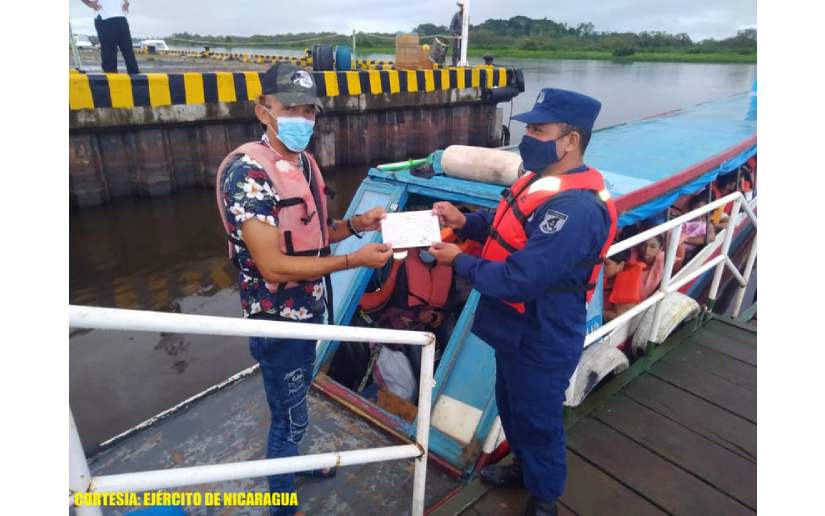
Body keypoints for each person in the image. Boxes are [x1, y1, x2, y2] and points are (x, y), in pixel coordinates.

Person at [428, 88, 617, 516]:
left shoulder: (575, 209)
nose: (527, 136)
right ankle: (522, 466)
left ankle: (545, 496)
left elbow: (520, 278)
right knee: (512, 406)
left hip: (543, 332)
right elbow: (505, 226)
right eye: (528, 127)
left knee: (538, 419)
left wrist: (459, 259)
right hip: (513, 328)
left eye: (538, 129)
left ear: (570, 140)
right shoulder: (537, 179)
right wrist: (465, 221)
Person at [214, 62, 393, 515]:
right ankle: (282, 502)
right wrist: (355, 260)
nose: (302, 119)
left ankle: (293, 464)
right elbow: (272, 266)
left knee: (296, 399)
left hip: (309, 307)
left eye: (309, 111)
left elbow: (312, 234)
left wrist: (356, 225)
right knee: (288, 413)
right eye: (289, 108)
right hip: (278, 318)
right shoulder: (248, 174)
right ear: (263, 111)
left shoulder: (303, 163)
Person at [81, 0, 140, 74]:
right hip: (104, 17)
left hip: (121, 16)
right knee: (109, 52)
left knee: (128, 50)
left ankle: (137, 81)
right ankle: (110, 81)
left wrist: (126, 2)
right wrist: (89, 3)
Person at [449, 1, 464, 66]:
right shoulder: (456, 15)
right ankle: (454, 65)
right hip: (456, 37)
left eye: (463, 7)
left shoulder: (467, 16)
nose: (462, 8)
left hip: (464, 38)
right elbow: (451, 27)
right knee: (455, 52)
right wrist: (455, 35)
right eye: (461, 7)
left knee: (462, 52)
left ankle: (461, 64)